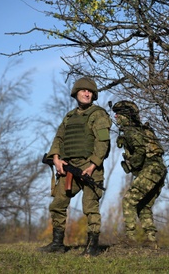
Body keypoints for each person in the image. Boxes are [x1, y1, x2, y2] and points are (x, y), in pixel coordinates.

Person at [39, 77, 111, 256]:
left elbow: (103, 143)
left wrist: (93, 165)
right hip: (69, 167)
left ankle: (92, 246)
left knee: (90, 206)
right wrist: (55, 158)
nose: (87, 93)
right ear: (76, 93)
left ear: (93, 95)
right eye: (83, 91)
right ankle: (57, 244)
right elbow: (59, 139)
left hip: (89, 168)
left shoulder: (98, 115)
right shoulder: (69, 117)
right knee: (57, 204)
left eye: (90, 92)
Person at [112, 100, 167, 249]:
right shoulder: (141, 129)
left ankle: (129, 239)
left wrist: (132, 163)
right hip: (160, 169)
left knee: (129, 201)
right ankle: (151, 240)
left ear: (125, 116)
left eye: (118, 114)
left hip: (151, 168)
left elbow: (141, 151)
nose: (115, 117)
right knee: (143, 205)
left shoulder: (131, 131)